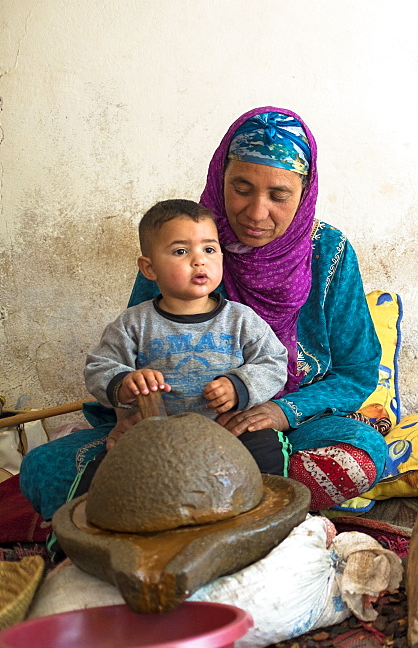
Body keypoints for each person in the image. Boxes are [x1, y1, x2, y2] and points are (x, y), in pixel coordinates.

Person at [21, 107, 386, 520]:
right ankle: (223, 506)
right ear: (220, 177)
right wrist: (130, 415)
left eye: (279, 195)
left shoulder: (329, 252)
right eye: (242, 188)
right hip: (167, 426)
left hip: (287, 428)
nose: (256, 212)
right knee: (42, 469)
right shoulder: (184, 241)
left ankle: (197, 507)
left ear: (304, 193)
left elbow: (356, 369)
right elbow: (128, 354)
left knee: (361, 453)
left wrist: (279, 412)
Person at [75, 198, 290, 496]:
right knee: (103, 476)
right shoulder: (134, 323)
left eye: (209, 249)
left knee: (267, 449)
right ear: (149, 268)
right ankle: (77, 539)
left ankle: (269, 520)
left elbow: (274, 362)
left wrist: (239, 386)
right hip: (157, 436)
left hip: (226, 430)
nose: (199, 260)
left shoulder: (240, 319)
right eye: (180, 251)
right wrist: (124, 383)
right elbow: (100, 367)